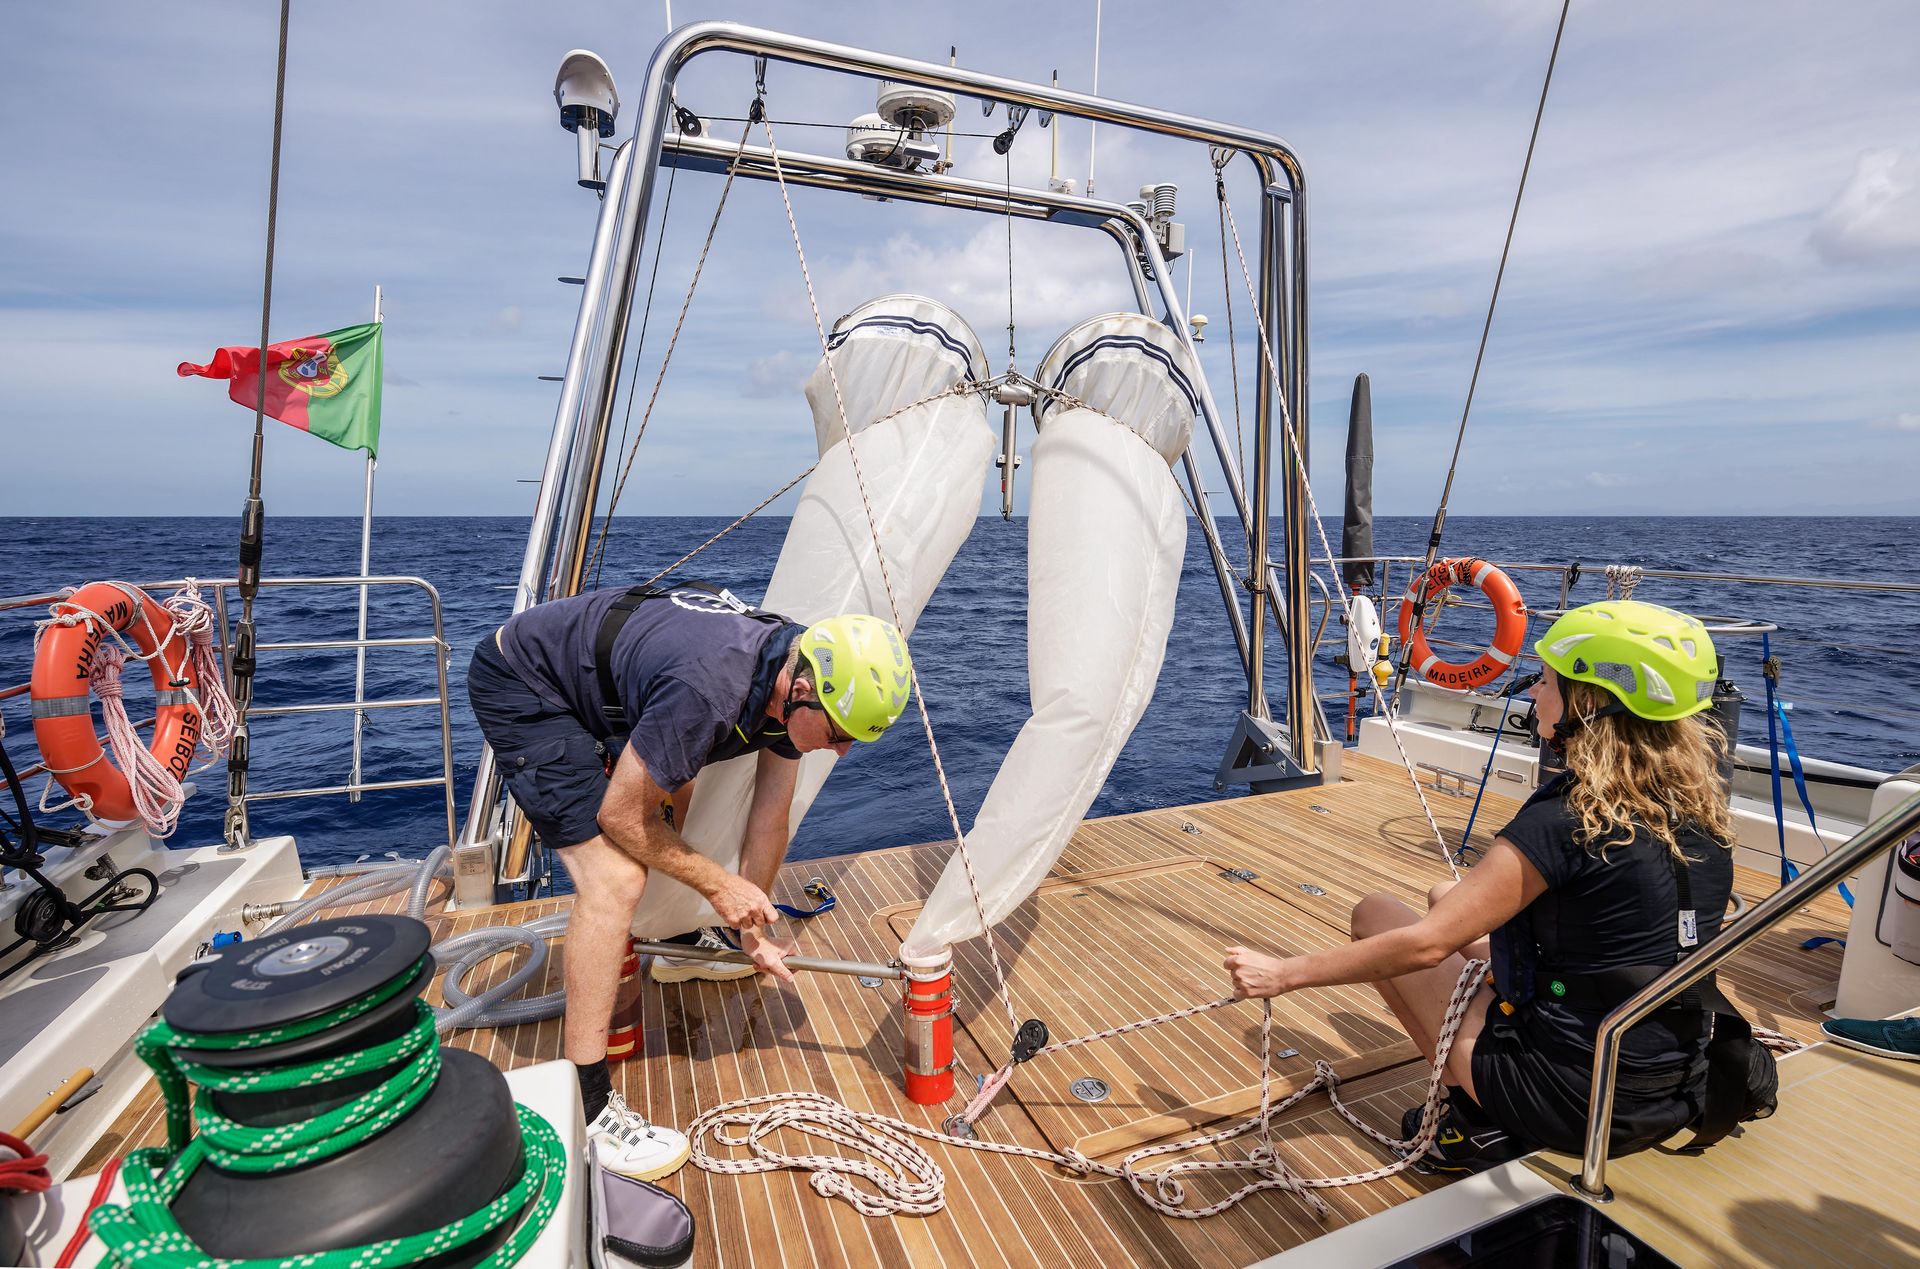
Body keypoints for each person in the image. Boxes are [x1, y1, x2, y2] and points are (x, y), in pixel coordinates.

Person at [1226, 599, 1736, 1173]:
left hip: (1580, 1103)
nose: (1534, 694)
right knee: (1447, 895)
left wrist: (1283, 974)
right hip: (1671, 1083)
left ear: (1588, 703)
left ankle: (1479, 1120)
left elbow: (1426, 947)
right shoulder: (1699, 812)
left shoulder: (1567, 818)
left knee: (1377, 915)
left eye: (1546, 681)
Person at [467, 580, 913, 1179]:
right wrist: (719, 886)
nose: (842, 752)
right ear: (802, 690)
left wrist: (750, 932)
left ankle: (676, 940)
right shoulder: (710, 689)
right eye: (839, 735)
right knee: (615, 881)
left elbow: (768, 820)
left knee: (677, 789)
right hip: (526, 683)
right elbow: (620, 816)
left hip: (620, 683)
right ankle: (587, 1105)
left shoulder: (789, 674)